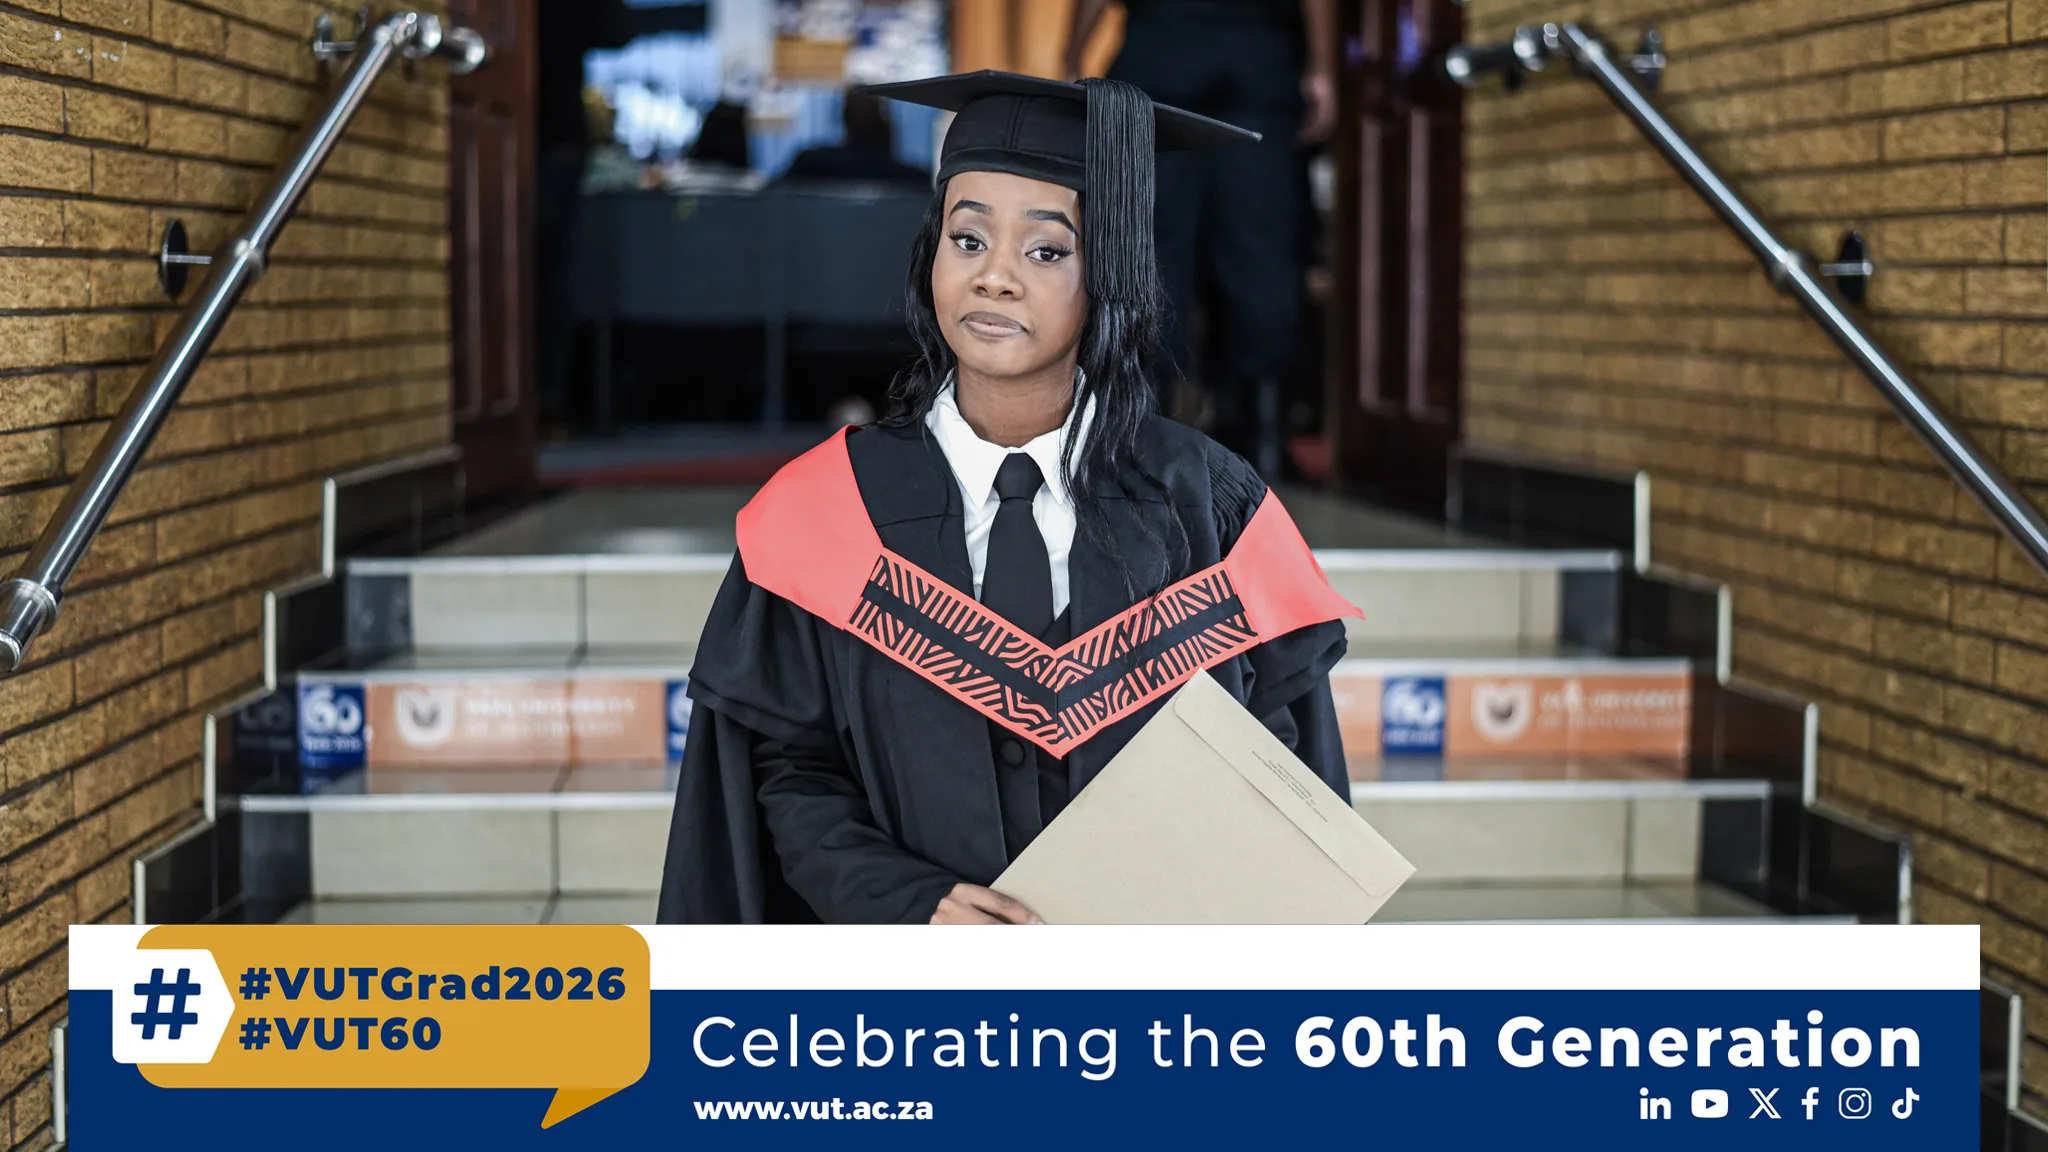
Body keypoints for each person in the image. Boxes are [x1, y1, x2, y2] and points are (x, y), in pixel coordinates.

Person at [656, 72, 1359, 926]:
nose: (994, 277)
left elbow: (1280, 766)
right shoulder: (828, 512)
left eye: (1047, 251)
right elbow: (790, 772)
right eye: (968, 239)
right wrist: (910, 903)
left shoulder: (1211, 509)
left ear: (1112, 269)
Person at [1064, 0, 1337, 479]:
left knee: (1149, 249)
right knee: (1261, 250)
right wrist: (1322, 69)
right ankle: (1263, 436)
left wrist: (1072, 55)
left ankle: (1139, 432)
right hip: (1257, 54)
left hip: (1161, 47)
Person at [774, 92, 932, 188]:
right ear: (884, 121)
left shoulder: (809, 165)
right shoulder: (914, 180)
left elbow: (769, 199)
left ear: (844, 117)